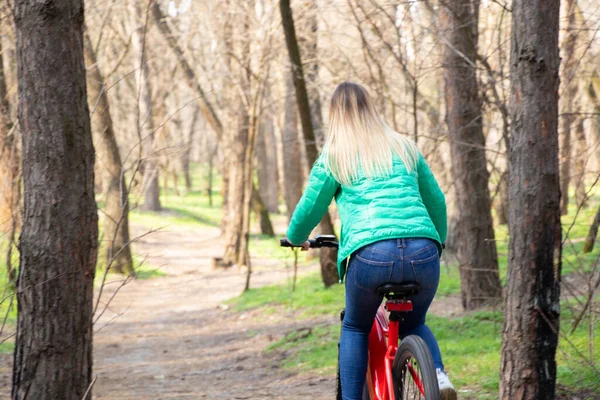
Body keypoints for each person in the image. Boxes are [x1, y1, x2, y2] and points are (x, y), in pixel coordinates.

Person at [285, 82, 456, 400]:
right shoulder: (404, 146)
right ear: (370, 109)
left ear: (336, 116)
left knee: (355, 326)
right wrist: (438, 242)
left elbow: (311, 206)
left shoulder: (336, 155)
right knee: (414, 322)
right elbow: (437, 202)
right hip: (423, 250)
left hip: (371, 254)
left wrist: (296, 238)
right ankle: (438, 376)